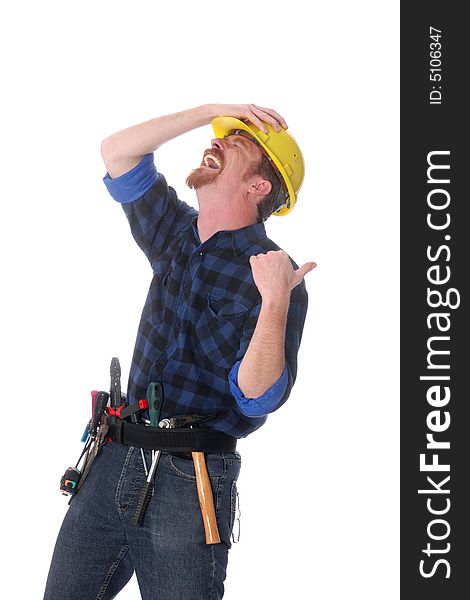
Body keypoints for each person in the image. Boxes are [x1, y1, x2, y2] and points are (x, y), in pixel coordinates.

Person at [43, 103, 316, 600]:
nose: (214, 142)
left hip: (187, 482)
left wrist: (275, 299)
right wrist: (214, 111)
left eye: (236, 144)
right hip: (112, 457)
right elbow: (118, 152)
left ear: (259, 186)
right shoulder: (174, 231)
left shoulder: (274, 275)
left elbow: (258, 398)